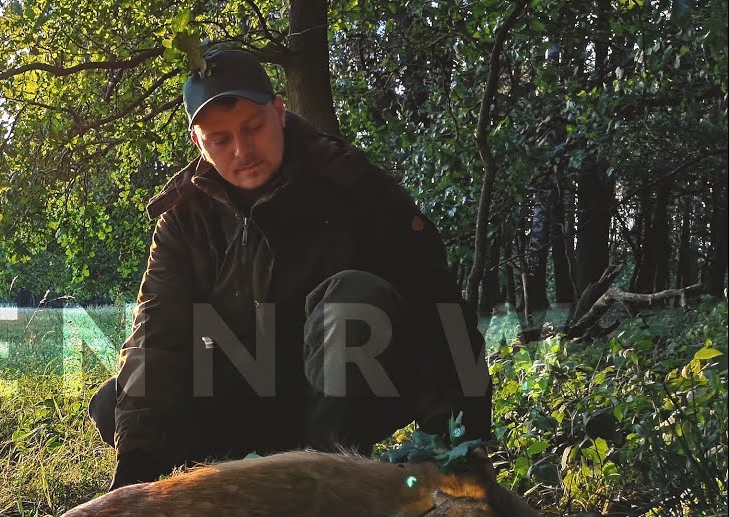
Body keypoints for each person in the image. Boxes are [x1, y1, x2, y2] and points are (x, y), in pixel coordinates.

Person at [88, 46, 492, 489]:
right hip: (249, 394)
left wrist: (461, 443)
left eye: (254, 127)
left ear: (279, 111)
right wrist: (133, 474)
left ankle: (328, 478)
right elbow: (157, 333)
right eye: (220, 140)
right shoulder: (182, 218)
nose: (242, 151)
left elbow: (438, 307)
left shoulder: (354, 184)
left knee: (354, 301)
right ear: (197, 143)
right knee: (115, 406)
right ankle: (253, 474)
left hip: (347, 392)